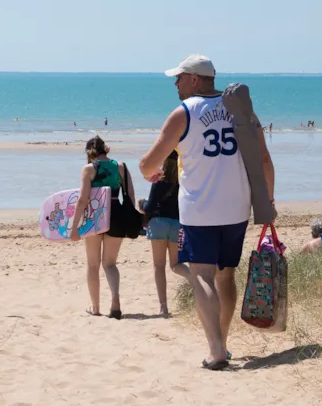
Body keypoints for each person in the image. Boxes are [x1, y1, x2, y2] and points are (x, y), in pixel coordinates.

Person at [139, 54, 275, 371]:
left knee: (202, 275)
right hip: (237, 207)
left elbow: (148, 162)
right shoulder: (242, 110)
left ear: (195, 79)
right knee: (226, 275)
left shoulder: (184, 112)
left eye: (179, 77)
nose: (176, 83)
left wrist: (149, 173)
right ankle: (222, 342)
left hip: (199, 209)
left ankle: (216, 350)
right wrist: (268, 201)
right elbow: (264, 160)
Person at [70, 136, 137, 319]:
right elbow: (130, 196)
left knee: (93, 264)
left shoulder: (89, 169)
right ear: (105, 148)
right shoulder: (120, 166)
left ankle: (95, 307)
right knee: (110, 264)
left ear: (89, 151)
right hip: (116, 215)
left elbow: (83, 200)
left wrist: (74, 227)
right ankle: (115, 299)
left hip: (94, 217)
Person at [143, 151, 189, 317]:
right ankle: (194, 279)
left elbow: (150, 207)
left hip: (158, 223)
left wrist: (142, 204)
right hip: (177, 224)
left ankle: (163, 307)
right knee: (175, 265)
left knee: (159, 266)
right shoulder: (184, 183)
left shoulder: (159, 181)